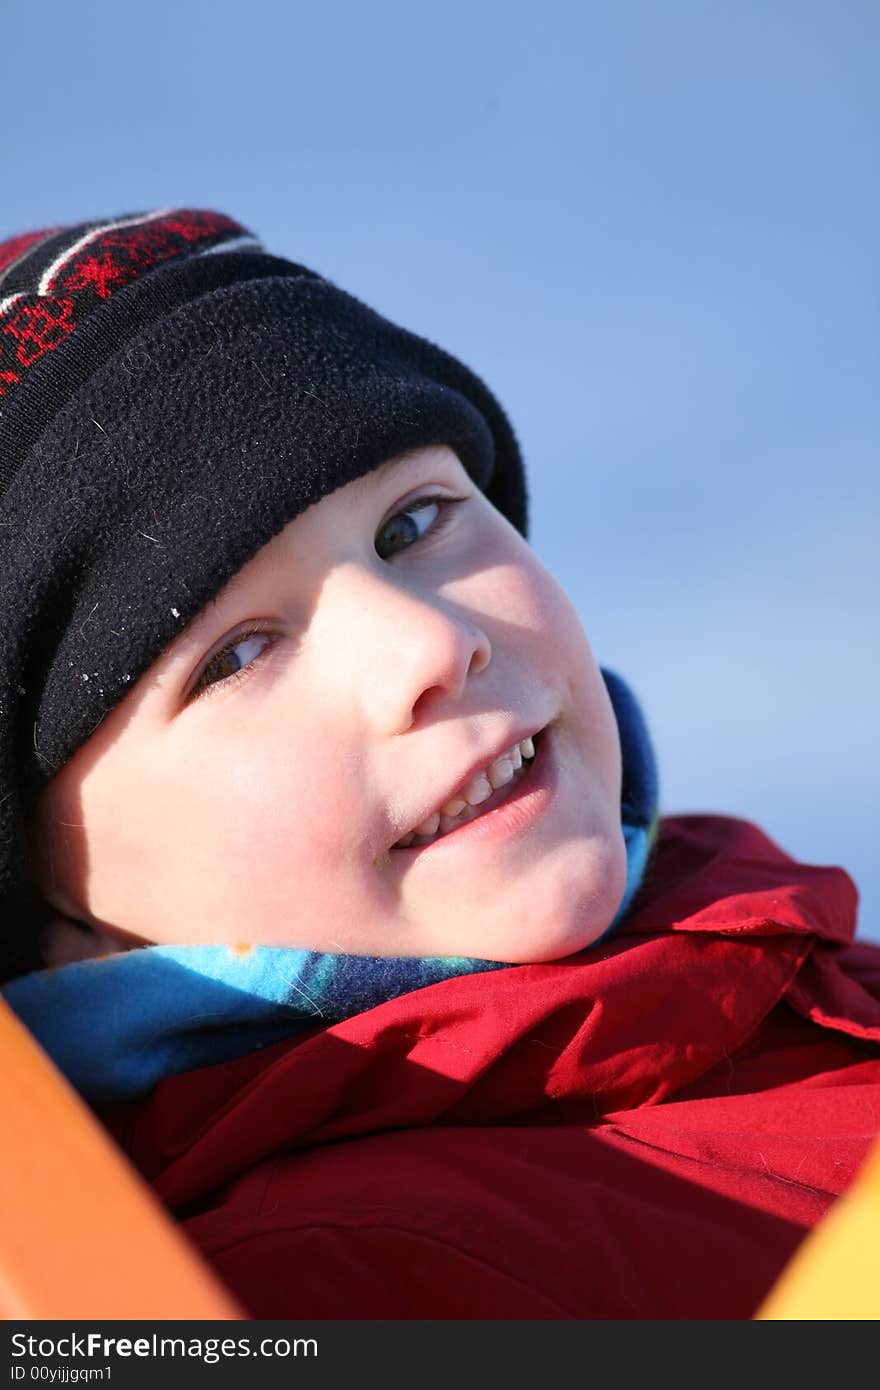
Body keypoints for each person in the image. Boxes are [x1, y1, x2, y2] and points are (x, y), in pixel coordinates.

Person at [1, 208, 879, 1320]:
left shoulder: (768, 958)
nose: (428, 645)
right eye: (235, 655)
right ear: (55, 905)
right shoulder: (333, 1283)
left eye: (413, 524)